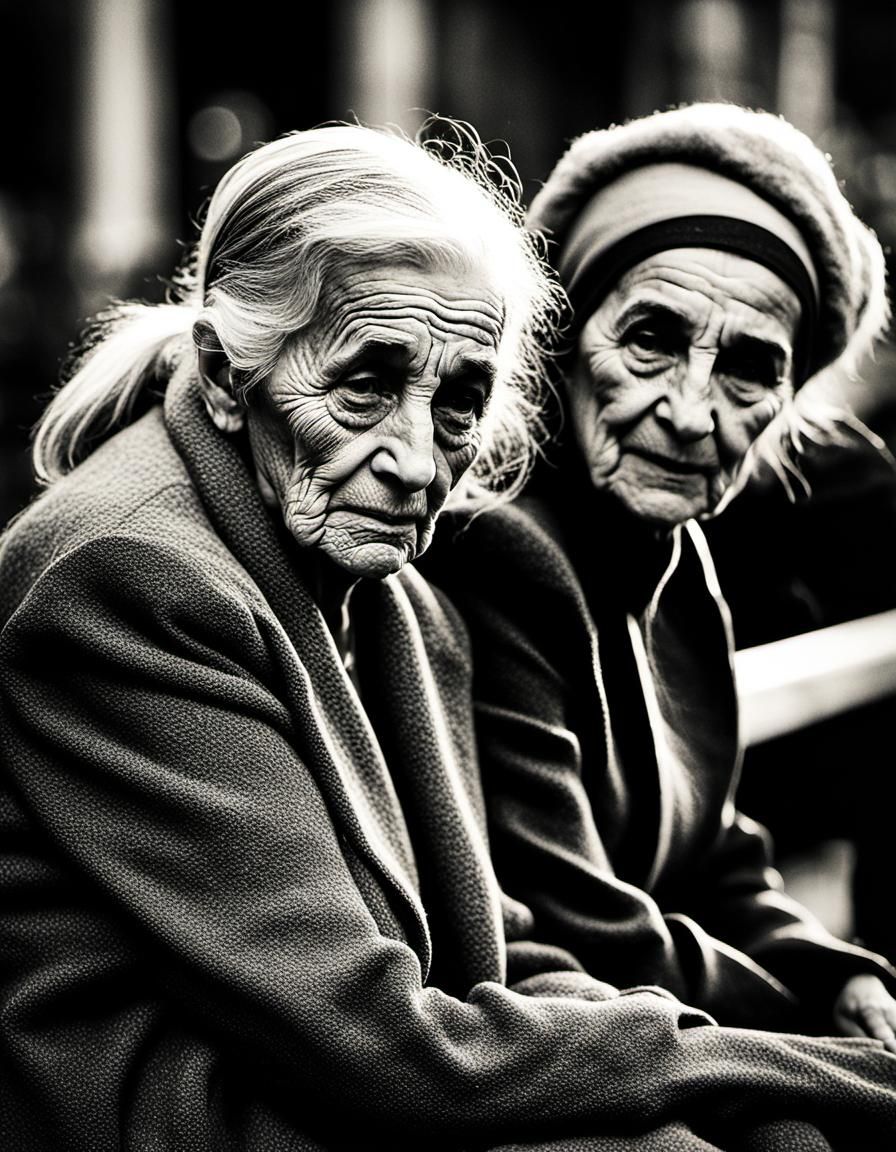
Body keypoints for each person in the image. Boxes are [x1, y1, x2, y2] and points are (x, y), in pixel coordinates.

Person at [2, 117, 896, 1152]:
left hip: (361, 1068)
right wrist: (793, 1064)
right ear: (220, 371)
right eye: (367, 384)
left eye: (462, 400)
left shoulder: (388, 581)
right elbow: (374, 1038)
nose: (420, 461)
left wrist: (771, 1080)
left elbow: (495, 949)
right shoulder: (136, 576)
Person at [421, 102, 896, 1054]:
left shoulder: (675, 561)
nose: (689, 411)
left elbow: (713, 856)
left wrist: (833, 970)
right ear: (561, 342)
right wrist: (809, 1021)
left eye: (751, 371)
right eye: (652, 339)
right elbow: (581, 921)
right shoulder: (499, 550)